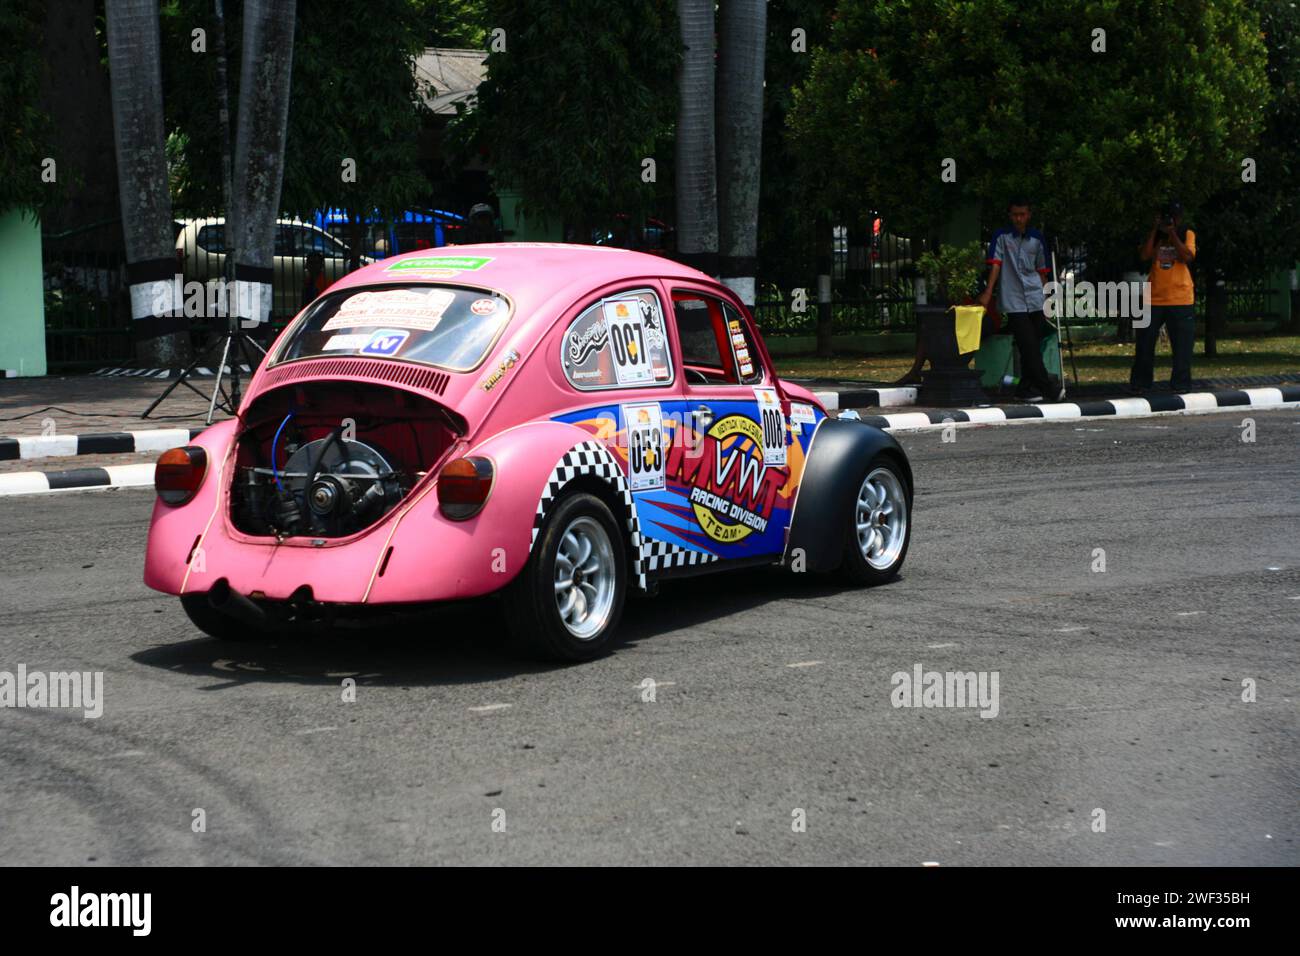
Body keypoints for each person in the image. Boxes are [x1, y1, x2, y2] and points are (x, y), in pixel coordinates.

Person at [977, 198, 1062, 402]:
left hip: (1035, 297)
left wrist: (1047, 297)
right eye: (1015, 214)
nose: (1019, 218)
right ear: (1010, 215)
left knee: (1030, 346)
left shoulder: (1036, 238)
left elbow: (1042, 271)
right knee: (1028, 344)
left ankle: (1024, 389)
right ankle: (1047, 388)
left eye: (1022, 214)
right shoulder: (1002, 237)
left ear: (1028, 215)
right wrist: (988, 292)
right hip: (1013, 299)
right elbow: (995, 265)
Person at [1130, 201, 1196, 392]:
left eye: (1173, 218)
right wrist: (1155, 230)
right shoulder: (1156, 235)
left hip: (1181, 297)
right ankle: (1141, 383)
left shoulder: (1187, 233)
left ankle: (1180, 384)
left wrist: (1173, 233)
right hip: (1153, 298)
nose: (1170, 221)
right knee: (1144, 344)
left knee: (1182, 346)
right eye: (1166, 217)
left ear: (1179, 218)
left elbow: (1187, 257)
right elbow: (1144, 255)